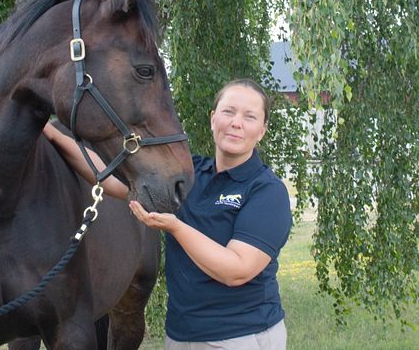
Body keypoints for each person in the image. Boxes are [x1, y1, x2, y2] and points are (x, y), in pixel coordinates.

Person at [43, 79, 292, 350]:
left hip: (241, 337)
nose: (236, 122)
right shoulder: (190, 174)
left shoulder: (266, 191)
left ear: (262, 130)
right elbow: (109, 179)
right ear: (213, 119)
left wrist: (176, 228)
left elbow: (237, 270)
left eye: (250, 116)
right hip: (180, 337)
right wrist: (54, 135)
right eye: (228, 111)